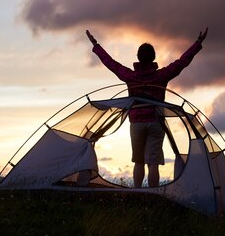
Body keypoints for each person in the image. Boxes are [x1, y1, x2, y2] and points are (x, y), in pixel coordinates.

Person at [86, 28, 208, 188]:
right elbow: (181, 63)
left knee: (138, 161)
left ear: (138, 57)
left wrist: (96, 45)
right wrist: (198, 43)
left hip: (136, 123)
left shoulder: (130, 76)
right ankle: (153, 193)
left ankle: (137, 192)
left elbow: (112, 64)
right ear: (153, 58)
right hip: (155, 122)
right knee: (153, 163)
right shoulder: (161, 75)